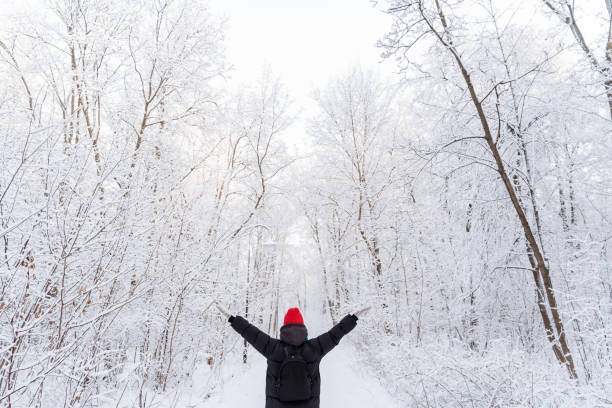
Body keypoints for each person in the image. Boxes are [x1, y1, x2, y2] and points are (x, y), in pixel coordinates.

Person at [226, 307, 358, 408]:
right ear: (303, 328)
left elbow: (252, 333)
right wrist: (352, 319)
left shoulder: (273, 348)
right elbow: (334, 335)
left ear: (284, 328)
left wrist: (233, 320)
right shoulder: (314, 348)